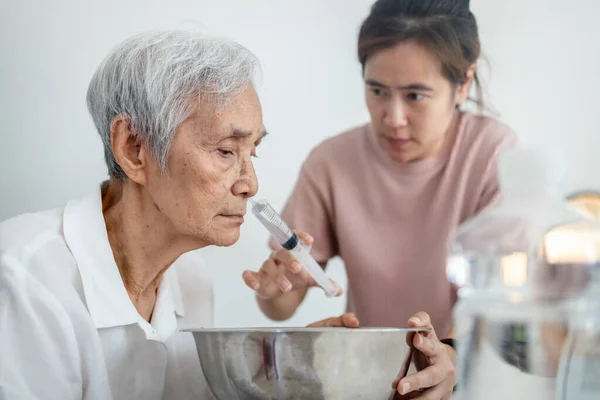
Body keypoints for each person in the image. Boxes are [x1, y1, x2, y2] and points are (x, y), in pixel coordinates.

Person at [0, 30, 363, 400]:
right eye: (225, 151)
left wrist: (280, 376)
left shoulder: (191, 281)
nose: (250, 185)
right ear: (133, 148)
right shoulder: (24, 281)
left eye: (251, 152)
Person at [244, 0, 518, 397]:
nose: (393, 118)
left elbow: (499, 294)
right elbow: (284, 302)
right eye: (376, 90)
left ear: (463, 84)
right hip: (370, 382)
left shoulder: (494, 155)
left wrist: (450, 355)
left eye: (415, 96)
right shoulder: (331, 163)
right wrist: (274, 291)